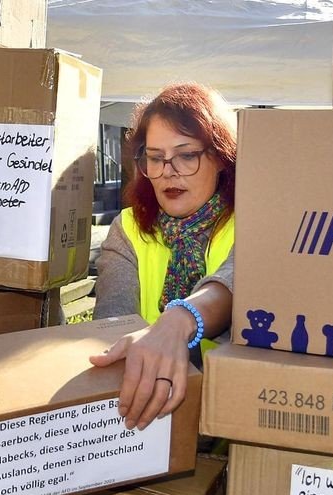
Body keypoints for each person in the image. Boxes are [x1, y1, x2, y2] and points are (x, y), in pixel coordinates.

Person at [90, 83, 237, 431]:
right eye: (156, 158)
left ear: (220, 157)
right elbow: (111, 332)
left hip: (229, 421)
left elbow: (239, 278)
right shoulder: (127, 227)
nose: (168, 171)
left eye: (186, 155)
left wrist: (179, 320)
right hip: (147, 420)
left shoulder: (252, 221)